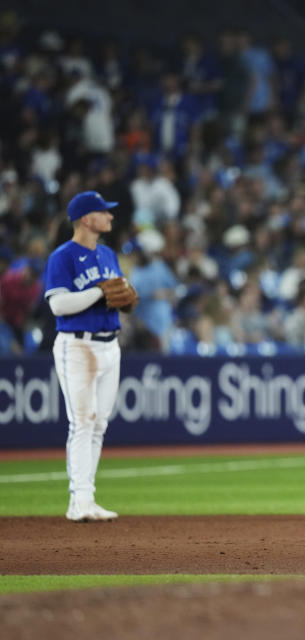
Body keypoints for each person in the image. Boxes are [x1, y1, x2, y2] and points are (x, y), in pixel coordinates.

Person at [44, 191, 138, 522]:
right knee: (82, 421)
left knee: (99, 423)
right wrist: (99, 292)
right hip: (78, 345)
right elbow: (58, 305)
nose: (111, 216)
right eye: (104, 212)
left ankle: (87, 498)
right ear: (86, 219)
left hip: (109, 344)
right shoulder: (63, 256)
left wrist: (122, 300)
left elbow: (115, 296)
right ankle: (78, 500)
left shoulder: (109, 254)